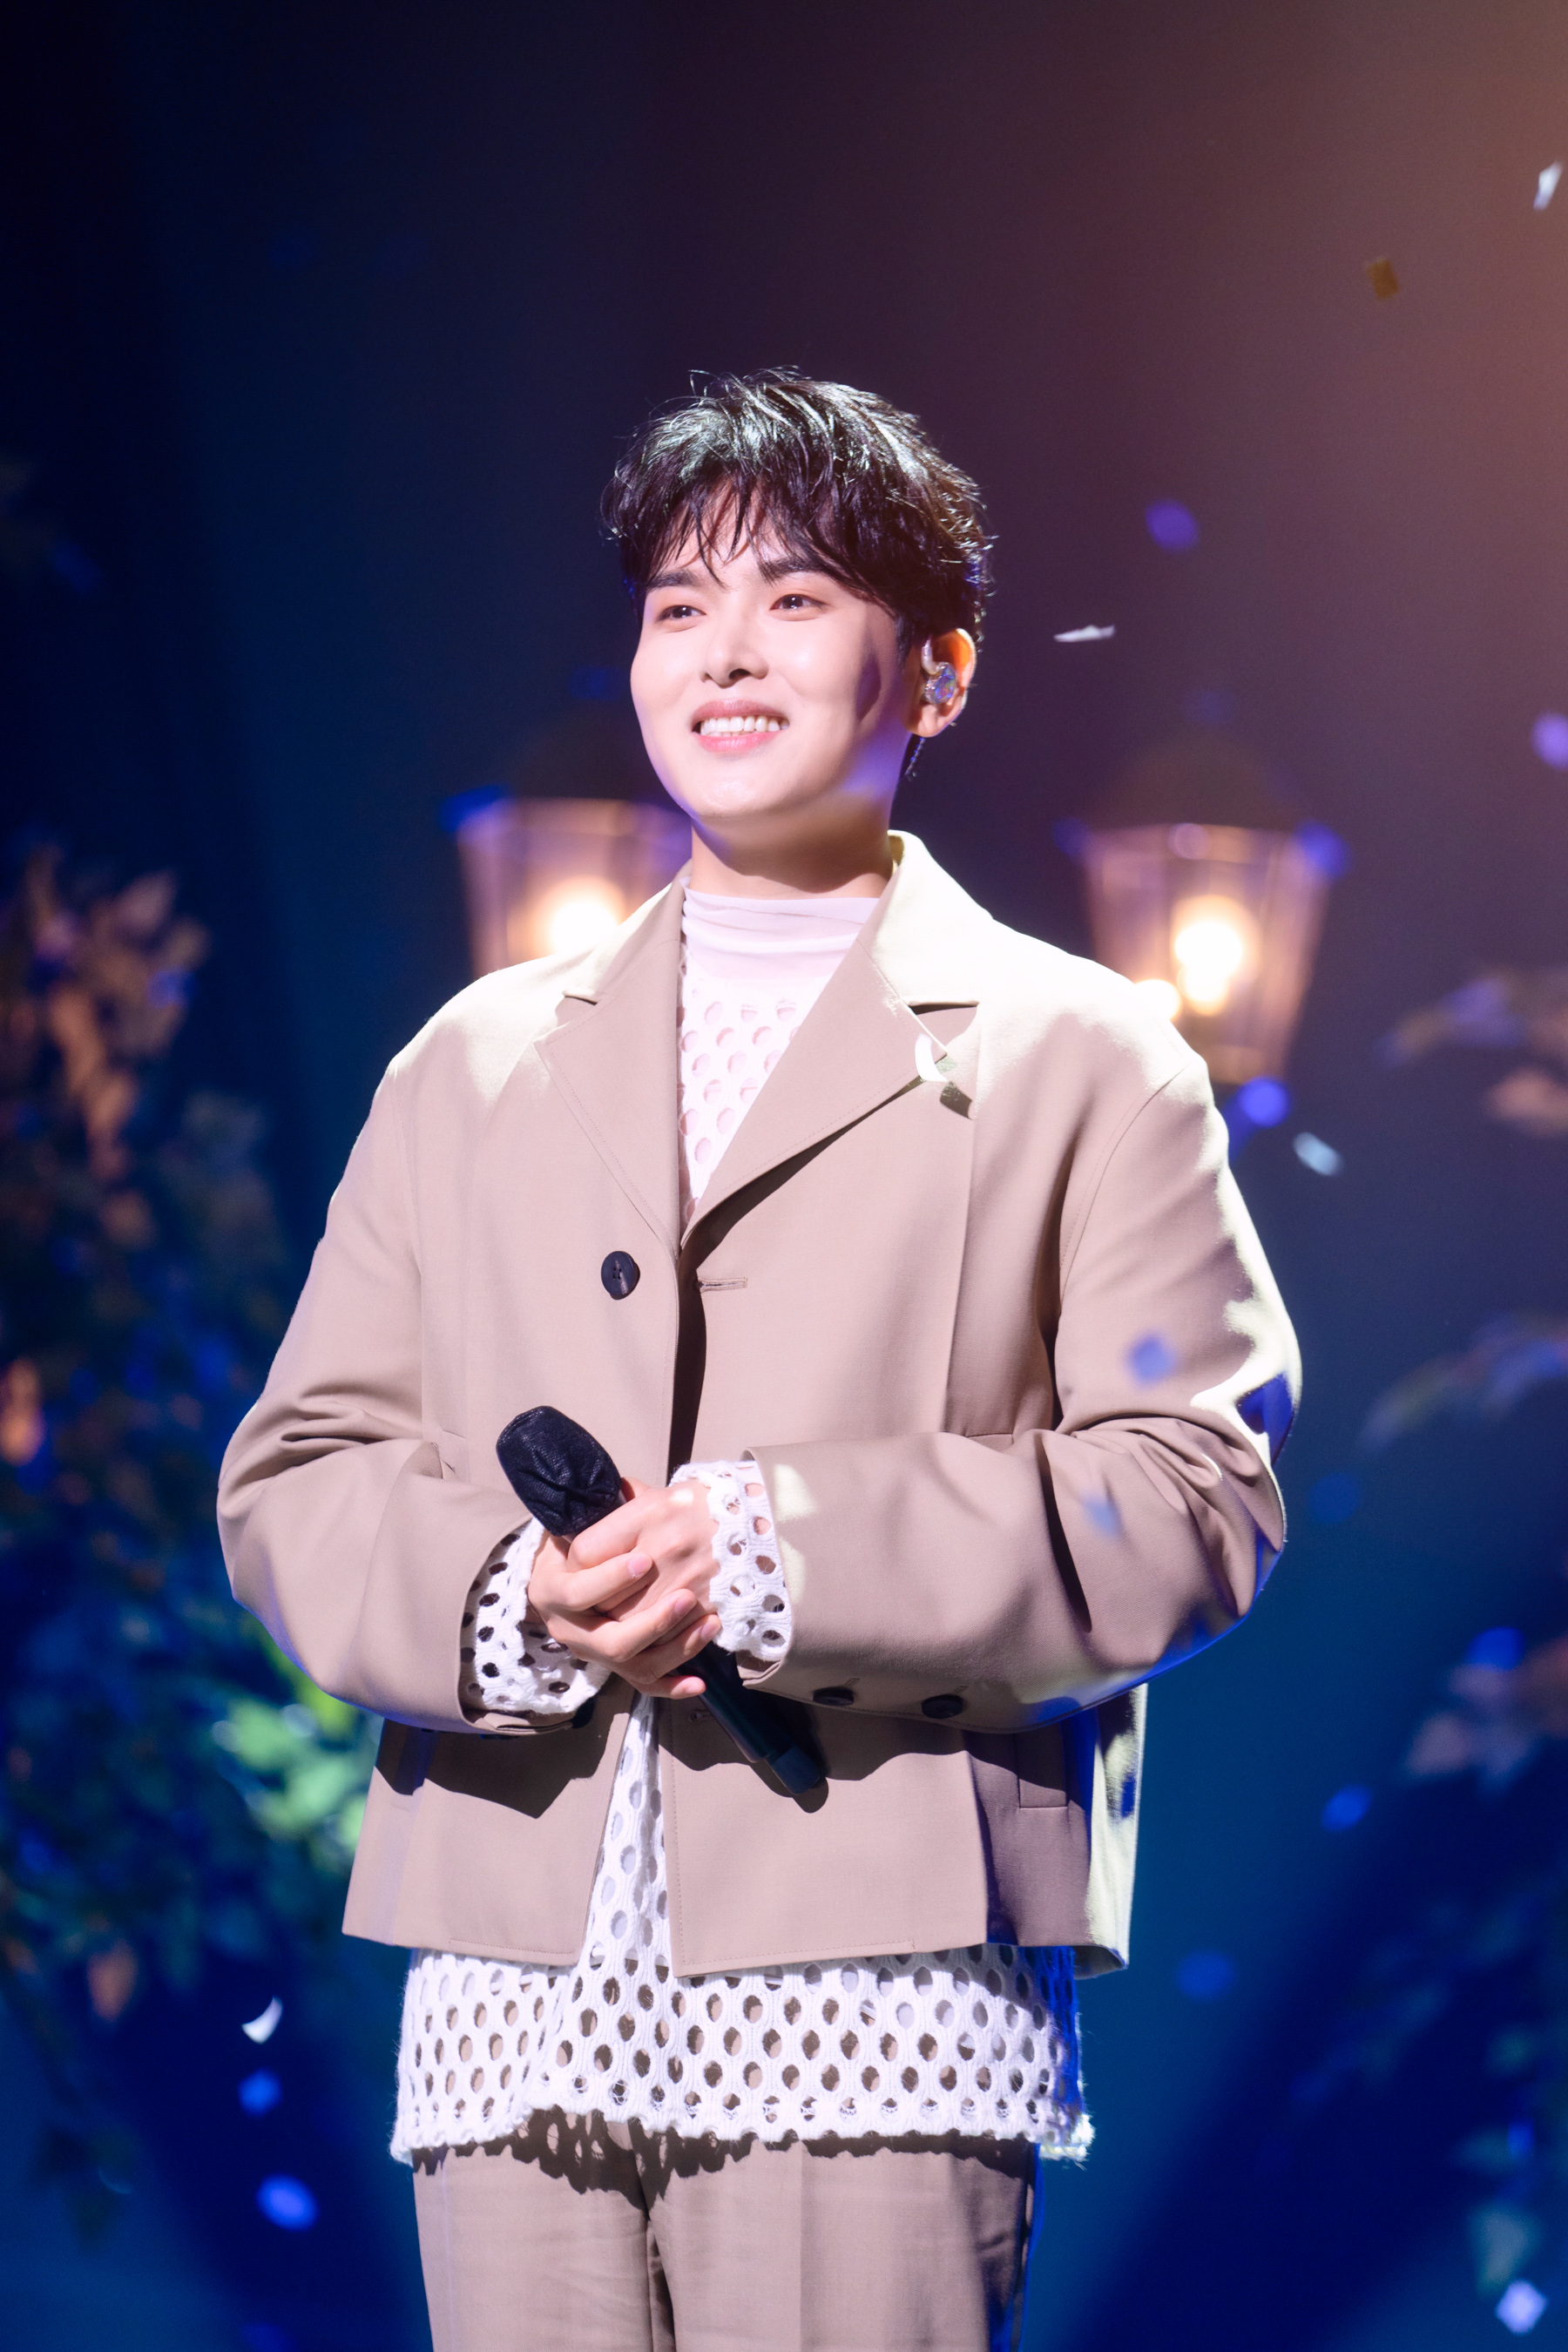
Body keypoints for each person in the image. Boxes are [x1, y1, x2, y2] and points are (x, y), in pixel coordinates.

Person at [218, 369, 1298, 2352]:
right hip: (515, 1968)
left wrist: (785, 1552)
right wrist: (511, 1593)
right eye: (679, 606)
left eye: (794, 599)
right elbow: (300, 1476)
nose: (723, 652)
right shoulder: (473, 1060)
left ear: (938, 672)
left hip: (881, 1967)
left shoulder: (1087, 1057)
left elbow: (1191, 1491)